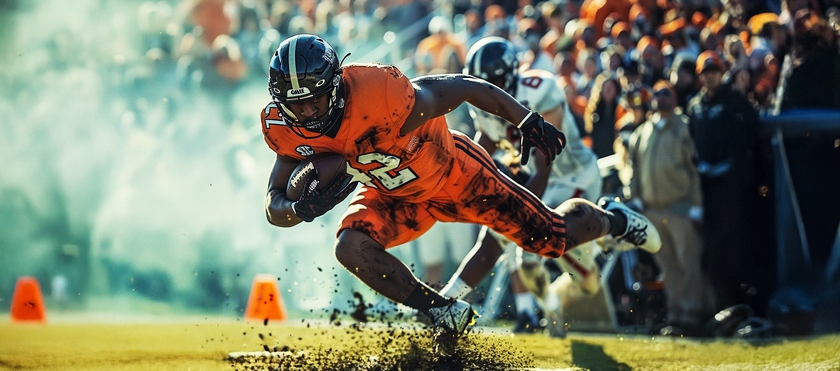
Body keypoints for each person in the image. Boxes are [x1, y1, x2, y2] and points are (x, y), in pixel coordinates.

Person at [261, 34, 661, 343]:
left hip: (456, 174)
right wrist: (299, 211)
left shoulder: (379, 91)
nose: (308, 113)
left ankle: (614, 220)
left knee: (550, 240)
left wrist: (525, 121)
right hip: (396, 195)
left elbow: (466, 86)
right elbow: (273, 203)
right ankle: (439, 310)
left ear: (335, 85)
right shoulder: (283, 129)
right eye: (297, 106)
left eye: (315, 100)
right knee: (349, 246)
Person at [439, 36, 605, 337]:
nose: (483, 92)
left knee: (581, 278)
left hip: (573, 177)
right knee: (514, 253)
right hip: (538, 180)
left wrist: (516, 209)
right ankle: (444, 302)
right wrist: (464, 184)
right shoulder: (483, 108)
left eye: (490, 84)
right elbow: (484, 147)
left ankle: (610, 223)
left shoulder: (540, 89)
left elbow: (545, 163)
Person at [626, 80, 716, 337]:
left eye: (666, 93)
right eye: (656, 93)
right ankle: (676, 314)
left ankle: (693, 314)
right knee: (668, 266)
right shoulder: (642, 132)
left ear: (674, 98)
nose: (660, 97)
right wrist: (636, 198)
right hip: (652, 210)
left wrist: (697, 206)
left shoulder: (684, 128)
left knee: (689, 263)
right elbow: (634, 169)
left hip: (680, 208)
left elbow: (694, 169)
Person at [687, 50, 761, 314]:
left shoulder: (736, 103)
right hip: (706, 188)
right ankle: (717, 307)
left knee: (737, 245)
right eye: (706, 73)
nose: (710, 77)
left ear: (722, 73)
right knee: (712, 248)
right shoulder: (694, 106)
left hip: (733, 189)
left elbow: (753, 136)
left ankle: (743, 306)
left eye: (714, 72)